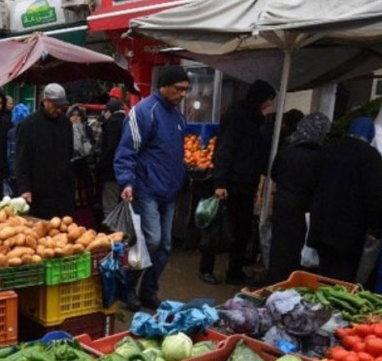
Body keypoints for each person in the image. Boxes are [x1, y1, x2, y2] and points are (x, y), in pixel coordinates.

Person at [113, 67, 189, 310]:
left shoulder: (178, 118)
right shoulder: (144, 112)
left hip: (169, 192)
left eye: (186, 90)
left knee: (165, 246)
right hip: (146, 190)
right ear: (164, 86)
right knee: (151, 241)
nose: (183, 94)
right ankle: (127, 288)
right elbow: (126, 151)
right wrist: (126, 181)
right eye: (179, 89)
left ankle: (148, 291)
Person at [199, 80, 276, 285]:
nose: (269, 105)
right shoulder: (237, 115)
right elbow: (225, 148)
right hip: (230, 182)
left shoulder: (257, 118)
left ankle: (234, 271)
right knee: (218, 227)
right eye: (269, 101)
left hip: (246, 183)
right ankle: (206, 269)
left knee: (241, 231)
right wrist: (220, 182)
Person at [308, 117, 382, 283]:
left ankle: (318, 304)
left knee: (324, 268)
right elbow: (374, 194)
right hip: (350, 227)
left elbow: (313, 181)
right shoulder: (371, 157)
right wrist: (376, 228)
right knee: (343, 275)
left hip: (322, 221)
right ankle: (333, 306)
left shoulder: (330, 149)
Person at [268, 112, 331, 282]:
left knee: (279, 247)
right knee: (297, 250)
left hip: (282, 203)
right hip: (305, 208)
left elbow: (274, 174)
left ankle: (274, 282)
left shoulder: (286, 149)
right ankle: (292, 284)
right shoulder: (322, 156)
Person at [16, 83, 75, 219]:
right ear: (45, 101)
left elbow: (69, 153)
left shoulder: (65, 123)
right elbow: (22, 160)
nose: (59, 110)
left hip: (62, 190)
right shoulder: (28, 125)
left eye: (61, 106)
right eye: (55, 105)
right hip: (39, 191)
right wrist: (25, 188)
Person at [99, 98, 127, 219]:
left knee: (110, 205)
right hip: (127, 171)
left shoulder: (112, 123)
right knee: (124, 204)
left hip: (112, 171)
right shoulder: (128, 121)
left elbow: (110, 149)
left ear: (109, 111)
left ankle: (111, 235)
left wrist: (100, 165)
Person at [6, 103, 31, 196]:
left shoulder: (11, 132)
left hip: (13, 171)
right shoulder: (31, 131)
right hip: (27, 173)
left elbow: (8, 153)